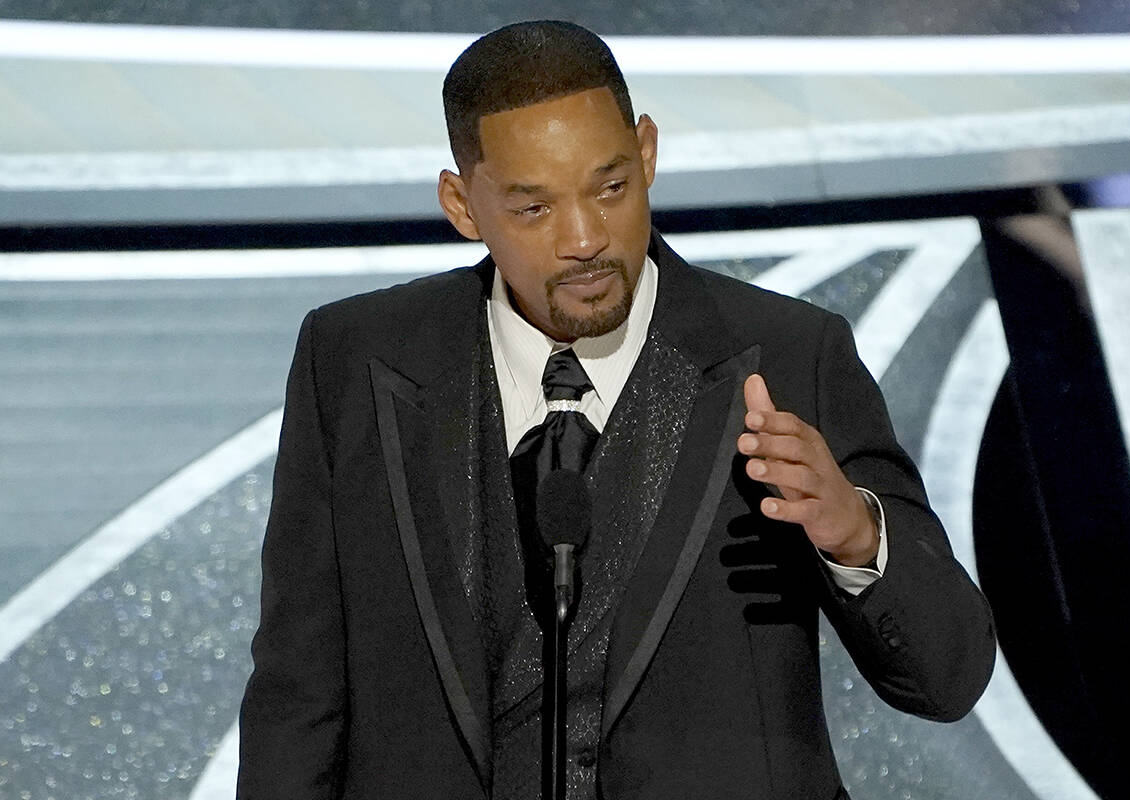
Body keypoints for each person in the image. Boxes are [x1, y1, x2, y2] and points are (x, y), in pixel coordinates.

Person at [237, 20, 995, 800]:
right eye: (533, 209)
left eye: (612, 187)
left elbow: (949, 678)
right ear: (463, 205)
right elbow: (298, 697)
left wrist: (857, 534)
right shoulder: (356, 360)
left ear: (648, 153)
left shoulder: (788, 355)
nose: (586, 238)